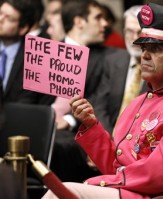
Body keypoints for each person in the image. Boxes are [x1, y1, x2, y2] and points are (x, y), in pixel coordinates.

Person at [43, 3, 163, 199]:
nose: (145, 55)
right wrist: (90, 125)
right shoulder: (139, 101)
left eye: (155, 49)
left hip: (153, 195)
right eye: (144, 47)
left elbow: (160, 176)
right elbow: (114, 164)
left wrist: (101, 181)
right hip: (126, 189)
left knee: (62, 191)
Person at [49, 0, 111, 183]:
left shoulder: (107, 58)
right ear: (79, 22)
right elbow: (30, 98)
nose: (105, 24)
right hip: (43, 122)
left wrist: (67, 120)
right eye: (98, 18)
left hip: (75, 128)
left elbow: (99, 99)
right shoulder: (47, 50)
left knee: (62, 145)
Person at [92, 5, 145, 134]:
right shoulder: (113, 60)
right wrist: (108, 138)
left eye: (139, 32)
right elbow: (99, 105)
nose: (134, 38)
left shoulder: (161, 68)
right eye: (129, 31)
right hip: (109, 136)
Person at [0, 0, 54, 105]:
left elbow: (28, 99)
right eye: (0, 13)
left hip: (16, 117)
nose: (0, 19)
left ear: (23, 29)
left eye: (9, 18)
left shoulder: (35, 57)